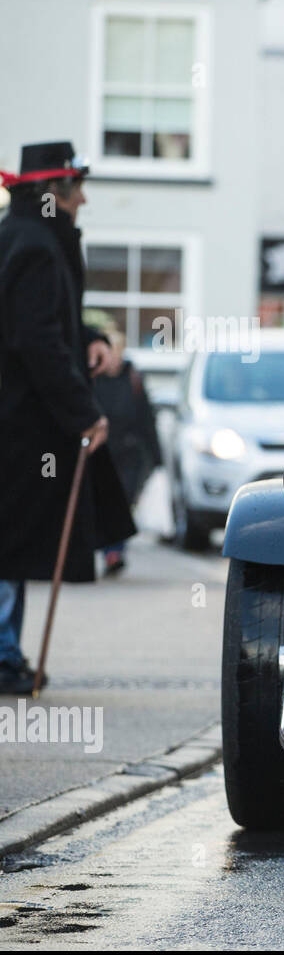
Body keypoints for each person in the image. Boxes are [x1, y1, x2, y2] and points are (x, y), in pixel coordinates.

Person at [0, 142, 135, 694]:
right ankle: (4, 654)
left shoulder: (30, 238)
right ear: (50, 194)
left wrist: (94, 337)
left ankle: (6, 651)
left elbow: (52, 325)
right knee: (10, 540)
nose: (83, 198)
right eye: (76, 187)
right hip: (18, 424)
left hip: (21, 423)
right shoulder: (33, 245)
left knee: (14, 540)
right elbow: (37, 341)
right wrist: (85, 414)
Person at [88, 314, 162, 574]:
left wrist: (156, 456)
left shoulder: (133, 379)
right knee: (104, 502)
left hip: (130, 454)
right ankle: (110, 551)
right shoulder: (93, 380)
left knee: (123, 501)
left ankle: (114, 551)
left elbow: (146, 418)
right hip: (101, 452)